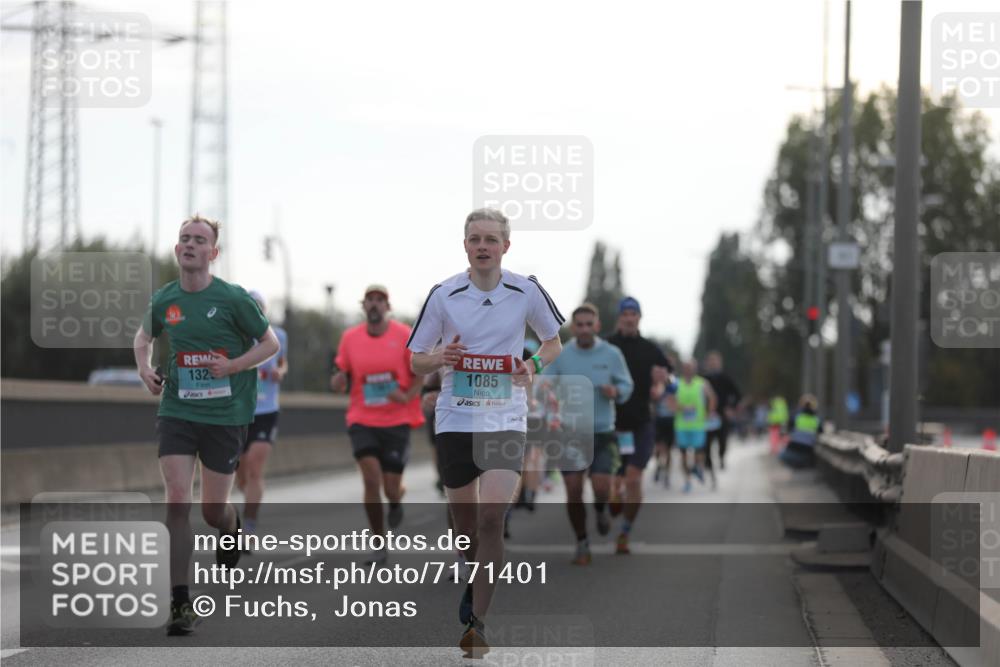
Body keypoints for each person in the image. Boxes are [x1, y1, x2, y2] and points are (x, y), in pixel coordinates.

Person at [407, 208, 564, 658]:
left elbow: (554, 342)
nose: (482, 246)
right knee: (465, 524)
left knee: (493, 516)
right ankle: (472, 570)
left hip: (505, 417)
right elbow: (415, 358)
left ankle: (478, 622)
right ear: (465, 246)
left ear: (505, 247)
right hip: (456, 416)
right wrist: (440, 358)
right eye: (475, 238)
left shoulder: (526, 290)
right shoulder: (444, 295)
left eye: (491, 239)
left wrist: (531, 365)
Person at [134, 215, 280, 636]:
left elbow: (268, 344)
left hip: (225, 416)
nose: (191, 244)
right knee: (177, 499)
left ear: (213, 253)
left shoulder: (233, 299)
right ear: (177, 249)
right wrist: (144, 370)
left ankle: (231, 527)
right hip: (178, 410)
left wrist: (231, 366)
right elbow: (142, 339)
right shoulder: (165, 299)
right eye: (184, 239)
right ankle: (180, 602)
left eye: (200, 240)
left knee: (213, 510)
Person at [331, 285, 424, 564]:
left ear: (388, 307)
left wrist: (407, 395)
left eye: (379, 300)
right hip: (362, 418)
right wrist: (338, 379)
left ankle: (395, 500)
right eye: (369, 300)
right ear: (363, 306)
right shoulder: (350, 338)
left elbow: (421, 369)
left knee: (390, 487)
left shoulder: (404, 335)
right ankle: (378, 543)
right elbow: (341, 370)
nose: (374, 305)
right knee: (371, 478)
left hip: (397, 420)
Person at [539, 303, 633, 565]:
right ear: (573, 327)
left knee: (602, 486)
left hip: (602, 431)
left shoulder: (612, 354)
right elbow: (546, 382)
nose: (583, 329)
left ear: (597, 326)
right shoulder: (562, 354)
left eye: (588, 324)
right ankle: (582, 542)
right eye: (579, 325)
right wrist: (546, 392)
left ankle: (601, 509)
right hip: (570, 432)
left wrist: (617, 392)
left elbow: (626, 384)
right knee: (573, 488)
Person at [607, 297, 672, 555]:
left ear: (639, 318)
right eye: (625, 313)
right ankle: (615, 492)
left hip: (641, 423)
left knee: (634, 478)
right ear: (619, 317)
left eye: (634, 313)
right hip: (612, 424)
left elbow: (672, 379)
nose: (629, 317)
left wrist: (662, 383)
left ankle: (625, 530)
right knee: (615, 481)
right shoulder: (607, 346)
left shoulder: (651, 349)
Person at [235, 290, 288, 549]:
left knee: (255, 467)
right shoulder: (234, 336)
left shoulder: (277, 336)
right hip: (239, 412)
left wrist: (280, 371)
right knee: (241, 476)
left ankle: (249, 526)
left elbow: (283, 361)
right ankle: (250, 501)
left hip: (267, 411)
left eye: (259, 307)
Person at [671, 359, 718, 493]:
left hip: (698, 425)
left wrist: (710, 412)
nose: (689, 370)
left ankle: (698, 467)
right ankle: (687, 481)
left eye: (691, 367)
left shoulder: (702, 383)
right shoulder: (676, 383)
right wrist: (681, 407)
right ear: (683, 369)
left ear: (695, 369)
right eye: (686, 367)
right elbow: (670, 401)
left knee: (699, 452)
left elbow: (713, 397)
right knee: (684, 455)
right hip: (681, 425)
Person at [702, 351, 742, 473]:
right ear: (707, 363)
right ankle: (708, 462)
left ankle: (721, 457)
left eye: (715, 361)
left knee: (723, 439)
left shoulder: (726, 378)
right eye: (711, 361)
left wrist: (730, 407)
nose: (713, 363)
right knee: (707, 440)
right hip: (707, 414)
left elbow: (737, 395)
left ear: (720, 363)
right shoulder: (703, 379)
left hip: (722, 413)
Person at [653, 352, 678, 487]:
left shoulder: (673, 380)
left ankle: (667, 474)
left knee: (668, 449)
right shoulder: (656, 380)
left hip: (670, 419)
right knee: (657, 448)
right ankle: (658, 465)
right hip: (658, 419)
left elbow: (674, 393)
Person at [779, 394, 821, 469]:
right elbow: (820, 432)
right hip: (808, 450)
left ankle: (798, 463)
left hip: (793, 449)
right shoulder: (816, 419)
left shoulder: (796, 417)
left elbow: (788, 429)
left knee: (782, 455)